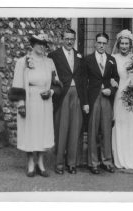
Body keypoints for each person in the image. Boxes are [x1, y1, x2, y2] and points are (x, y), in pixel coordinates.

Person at [9, 34, 61, 177]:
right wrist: (21, 104)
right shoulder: (23, 62)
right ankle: (31, 163)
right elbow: (18, 83)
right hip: (30, 100)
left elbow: (56, 82)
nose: (41, 47)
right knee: (30, 132)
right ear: (32, 44)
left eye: (44, 44)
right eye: (38, 43)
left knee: (42, 131)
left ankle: (41, 163)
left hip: (44, 101)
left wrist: (51, 91)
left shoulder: (49, 62)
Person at [48, 28, 85, 175]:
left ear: (74, 40)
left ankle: (72, 163)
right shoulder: (54, 55)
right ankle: (59, 164)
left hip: (77, 95)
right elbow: (50, 75)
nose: (69, 41)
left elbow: (82, 78)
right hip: (62, 95)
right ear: (62, 39)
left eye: (72, 39)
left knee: (75, 129)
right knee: (61, 130)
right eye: (67, 38)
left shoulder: (79, 56)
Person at [82, 32, 119, 174]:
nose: (102, 45)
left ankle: (107, 161)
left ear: (107, 44)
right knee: (92, 129)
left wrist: (111, 89)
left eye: (104, 43)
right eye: (99, 42)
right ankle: (93, 163)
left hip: (106, 98)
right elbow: (83, 82)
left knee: (106, 129)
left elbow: (116, 78)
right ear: (95, 43)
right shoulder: (88, 60)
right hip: (93, 97)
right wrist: (85, 102)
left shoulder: (111, 60)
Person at [111, 29, 133, 169]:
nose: (124, 46)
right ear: (118, 45)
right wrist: (112, 82)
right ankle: (121, 156)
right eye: (122, 44)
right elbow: (110, 75)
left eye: (127, 43)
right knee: (121, 124)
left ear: (130, 44)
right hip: (120, 95)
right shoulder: (114, 58)